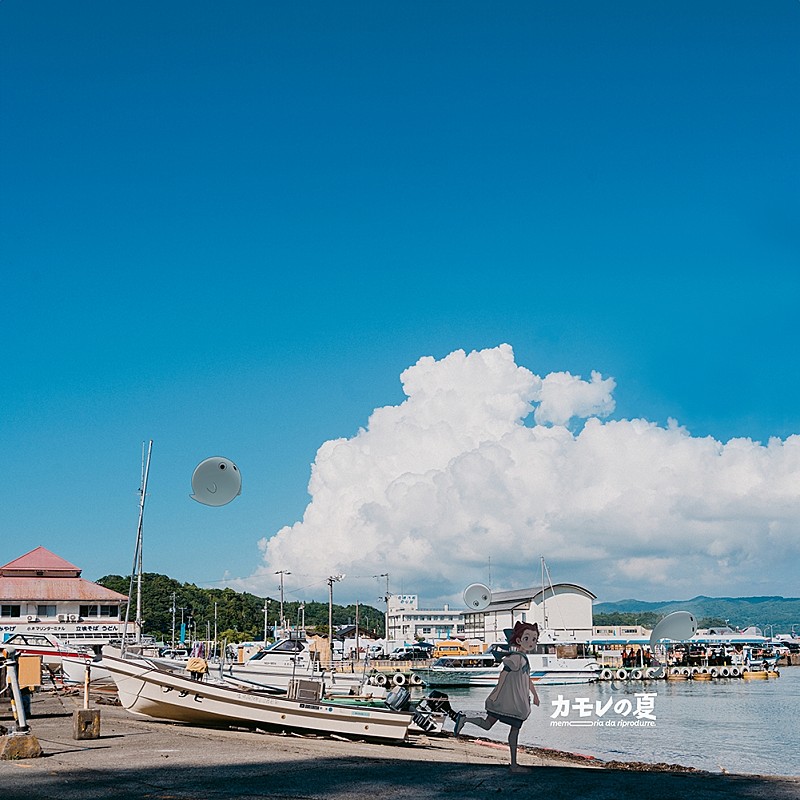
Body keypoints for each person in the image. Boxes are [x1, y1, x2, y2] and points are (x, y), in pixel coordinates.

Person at [454, 622, 541, 772]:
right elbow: (503, 675)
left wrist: (534, 694)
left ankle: (465, 719)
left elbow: (526, 678)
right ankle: (513, 765)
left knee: (488, 725)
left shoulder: (522, 657)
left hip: (509, 700)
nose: (532, 643)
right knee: (514, 730)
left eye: (534, 639)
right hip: (512, 702)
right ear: (519, 640)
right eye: (528, 638)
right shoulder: (517, 658)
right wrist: (495, 694)